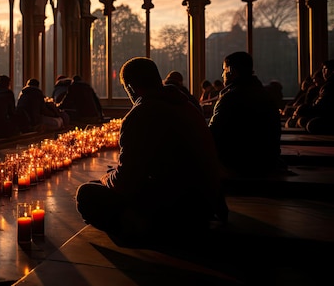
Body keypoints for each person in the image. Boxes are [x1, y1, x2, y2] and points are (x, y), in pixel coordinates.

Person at [75, 57, 226, 245]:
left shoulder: (141, 113)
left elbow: (127, 181)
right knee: (106, 181)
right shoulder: (186, 105)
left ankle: (141, 229)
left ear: (130, 87)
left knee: (86, 193)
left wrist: (108, 179)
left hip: (175, 211)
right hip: (205, 204)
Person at [208, 51, 283, 176]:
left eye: (224, 69)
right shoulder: (265, 95)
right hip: (267, 162)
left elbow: (213, 133)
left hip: (239, 164)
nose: (222, 74)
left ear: (231, 70)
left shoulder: (230, 98)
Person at [293, 59, 334, 134]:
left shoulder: (328, 86)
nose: (323, 72)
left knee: (310, 124)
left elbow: (320, 107)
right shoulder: (326, 86)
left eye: (325, 69)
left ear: (331, 71)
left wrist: (301, 110)